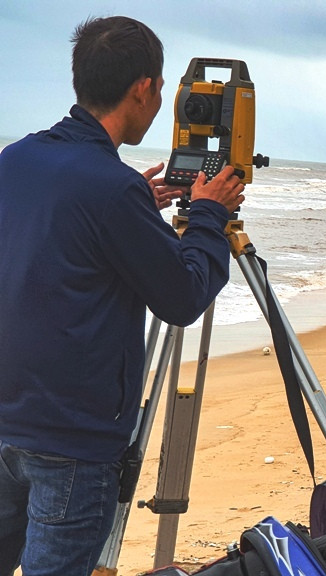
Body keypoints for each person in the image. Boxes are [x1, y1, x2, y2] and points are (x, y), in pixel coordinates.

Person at [0, 16, 245, 576]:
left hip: (7, 420)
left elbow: (58, 238)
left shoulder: (15, 161)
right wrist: (209, 214)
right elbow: (182, 298)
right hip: (72, 443)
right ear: (144, 87)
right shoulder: (111, 190)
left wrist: (136, 203)